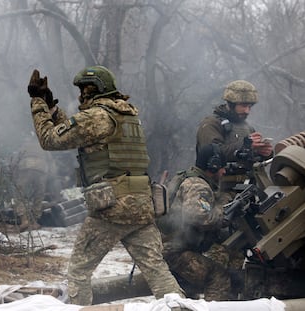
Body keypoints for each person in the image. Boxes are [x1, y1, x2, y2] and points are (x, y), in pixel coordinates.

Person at [27, 65, 185, 305]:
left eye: (83, 90)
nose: (81, 96)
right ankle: (180, 307)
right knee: (157, 270)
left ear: (94, 90)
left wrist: (38, 103)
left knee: (79, 272)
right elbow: (78, 132)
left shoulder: (97, 116)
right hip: (142, 205)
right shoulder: (127, 115)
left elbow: (50, 139)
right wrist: (53, 109)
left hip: (112, 207)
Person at [158, 143, 232, 301]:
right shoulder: (198, 186)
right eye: (222, 167)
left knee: (189, 288)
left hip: (169, 248)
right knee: (219, 277)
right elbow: (198, 217)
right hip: (175, 253)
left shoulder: (186, 177)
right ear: (213, 165)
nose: (224, 171)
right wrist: (224, 213)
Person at [196, 80, 273, 191]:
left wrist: (265, 153)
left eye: (250, 107)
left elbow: (253, 160)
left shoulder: (247, 127)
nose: (247, 111)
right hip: (218, 190)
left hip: (247, 188)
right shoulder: (211, 124)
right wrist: (245, 146)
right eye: (243, 105)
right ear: (230, 103)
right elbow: (211, 154)